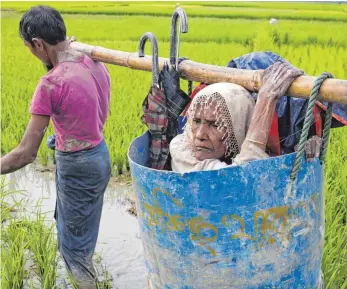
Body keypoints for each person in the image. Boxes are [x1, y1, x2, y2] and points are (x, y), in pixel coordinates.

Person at [1, 6, 111, 288]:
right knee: (81, 240)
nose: (31, 52)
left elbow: (25, 154)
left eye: (30, 47)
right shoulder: (94, 61)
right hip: (99, 156)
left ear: (38, 43)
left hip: (77, 167)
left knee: (74, 253)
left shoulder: (51, 84)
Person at [170, 61, 321, 173]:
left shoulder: (267, 151)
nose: (199, 135)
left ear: (239, 128)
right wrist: (267, 98)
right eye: (196, 121)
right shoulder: (181, 148)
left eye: (215, 125)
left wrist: (306, 155)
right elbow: (243, 177)